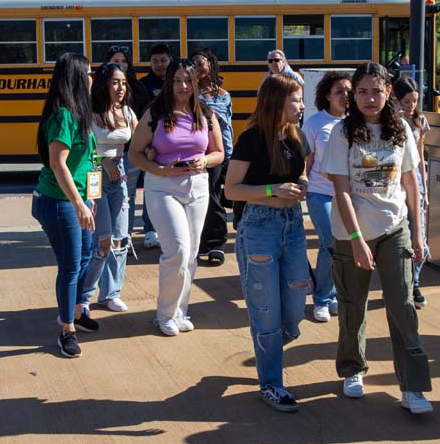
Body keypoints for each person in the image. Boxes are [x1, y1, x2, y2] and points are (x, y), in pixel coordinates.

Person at [323, 62, 432, 414]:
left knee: (402, 306)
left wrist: (418, 232)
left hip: (394, 228)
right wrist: (355, 239)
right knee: (353, 305)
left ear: (389, 92)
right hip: (351, 232)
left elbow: (411, 182)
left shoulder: (400, 128)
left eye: (377, 91)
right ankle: (353, 368)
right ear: (353, 95)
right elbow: (341, 191)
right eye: (362, 92)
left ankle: (413, 386)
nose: (370, 98)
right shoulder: (343, 132)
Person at [224, 74, 310, 412]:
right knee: (266, 312)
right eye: (296, 100)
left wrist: (299, 185)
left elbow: (300, 173)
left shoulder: (295, 136)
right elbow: (231, 190)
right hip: (259, 226)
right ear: (277, 101)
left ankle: (269, 348)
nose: (302, 106)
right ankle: (271, 383)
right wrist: (273, 191)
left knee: (294, 307)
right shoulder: (251, 139)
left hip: (292, 224)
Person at [128, 58, 225, 336]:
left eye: (187, 80)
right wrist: (158, 168)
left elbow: (218, 152)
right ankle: (165, 314)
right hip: (162, 188)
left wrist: (203, 162)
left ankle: (180, 311)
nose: (183, 86)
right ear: (168, 84)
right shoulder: (155, 113)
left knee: (192, 254)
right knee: (178, 251)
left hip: (197, 187)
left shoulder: (205, 113)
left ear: (196, 83)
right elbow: (135, 153)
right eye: (176, 81)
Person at [31, 52, 98, 358]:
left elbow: (90, 161)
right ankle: (66, 329)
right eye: (88, 73)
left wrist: (90, 199)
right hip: (60, 202)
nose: (91, 78)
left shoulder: (80, 113)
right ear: (75, 78)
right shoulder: (63, 116)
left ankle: (74, 311)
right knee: (71, 265)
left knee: (84, 258)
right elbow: (59, 165)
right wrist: (78, 204)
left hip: (79, 200)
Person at [80, 61, 137, 314]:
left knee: (119, 239)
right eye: (115, 82)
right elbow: (82, 149)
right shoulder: (89, 112)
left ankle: (111, 294)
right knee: (102, 241)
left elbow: (142, 142)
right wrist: (102, 161)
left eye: (123, 82)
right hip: (94, 176)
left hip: (120, 175)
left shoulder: (126, 112)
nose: (120, 87)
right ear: (103, 84)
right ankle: (83, 297)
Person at [303, 71, 352, 323]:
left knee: (342, 245)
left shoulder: (356, 121)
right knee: (329, 242)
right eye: (339, 91)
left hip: (348, 195)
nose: (345, 96)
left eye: (348, 91)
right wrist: (301, 186)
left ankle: (332, 293)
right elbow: (307, 161)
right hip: (319, 192)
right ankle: (321, 298)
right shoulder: (313, 123)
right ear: (327, 95)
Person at [129, 43, 171, 250]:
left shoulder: (176, 82)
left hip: (169, 143)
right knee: (148, 187)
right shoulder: (143, 85)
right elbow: (137, 114)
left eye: (163, 60)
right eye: (155, 61)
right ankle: (149, 229)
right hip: (148, 144)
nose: (159, 65)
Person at [393, 78, 431, 309]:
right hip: (395, 180)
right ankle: (402, 284)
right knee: (400, 236)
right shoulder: (390, 121)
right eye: (406, 101)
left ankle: (413, 282)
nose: (410, 106)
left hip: (414, 179)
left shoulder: (420, 121)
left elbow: (420, 157)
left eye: (415, 101)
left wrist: (425, 189)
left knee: (421, 239)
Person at [193, 48, 233, 265]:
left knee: (213, 196)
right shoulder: (187, 92)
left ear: (211, 65)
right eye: (194, 64)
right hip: (193, 153)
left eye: (202, 63)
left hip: (215, 152)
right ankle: (199, 241)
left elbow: (226, 128)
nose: (198, 68)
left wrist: (228, 153)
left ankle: (216, 242)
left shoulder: (223, 95)